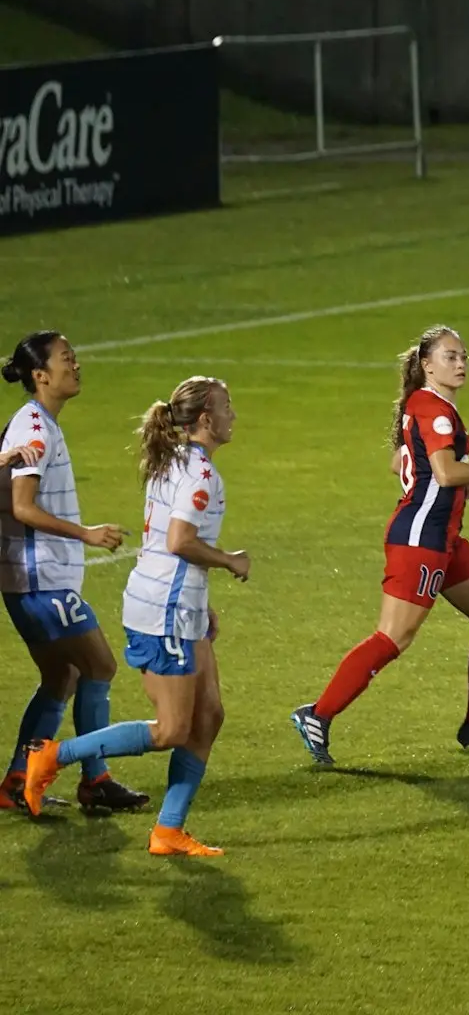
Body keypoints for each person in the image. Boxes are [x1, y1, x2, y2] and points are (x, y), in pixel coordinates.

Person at [22, 377, 250, 856]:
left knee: (208, 717)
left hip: (178, 602)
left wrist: (201, 603)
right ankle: (52, 756)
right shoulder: (200, 474)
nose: (234, 415)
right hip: (164, 609)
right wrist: (230, 561)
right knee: (172, 730)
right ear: (205, 419)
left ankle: (168, 831)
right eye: (227, 407)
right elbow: (179, 541)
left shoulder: (177, 460)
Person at [291, 325, 469, 766]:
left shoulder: (425, 406)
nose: (460, 364)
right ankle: (317, 714)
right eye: (450, 356)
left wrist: (464, 484)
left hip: (444, 536)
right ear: (426, 365)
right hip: (422, 539)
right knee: (393, 636)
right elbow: (442, 473)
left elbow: (409, 464)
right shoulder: (433, 410)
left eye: (464, 357)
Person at [1, 330, 146, 814]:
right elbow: (22, 507)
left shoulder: (36, 423)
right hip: (40, 579)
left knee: (61, 676)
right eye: (67, 359)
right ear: (40, 375)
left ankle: (18, 780)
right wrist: (85, 534)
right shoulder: (36, 430)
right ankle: (95, 779)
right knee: (98, 667)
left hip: (30, 580)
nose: (76, 365)